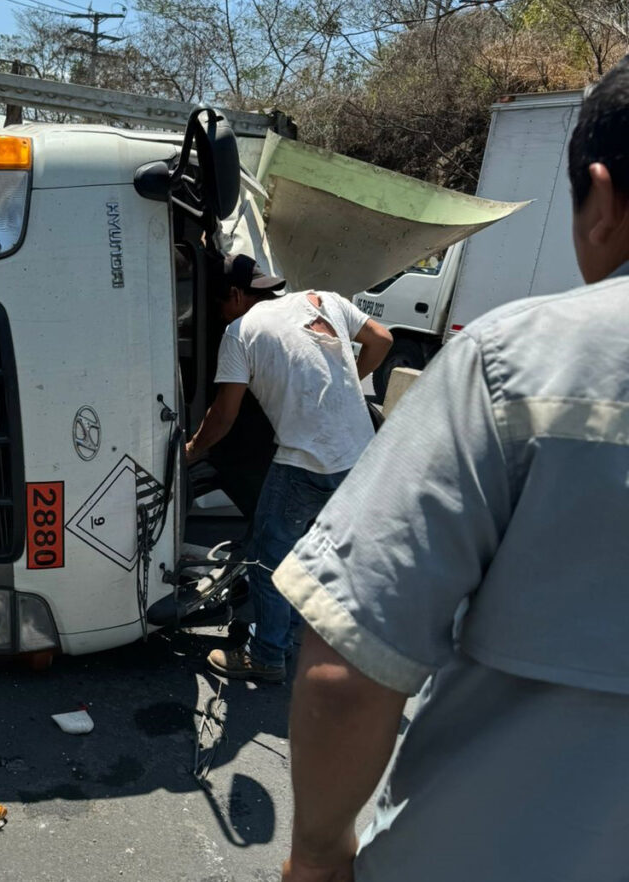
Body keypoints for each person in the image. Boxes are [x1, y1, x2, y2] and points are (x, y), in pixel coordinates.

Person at [276, 56, 629, 882]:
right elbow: (379, 347)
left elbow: (347, 670)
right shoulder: (337, 313)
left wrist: (318, 858)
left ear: (603, 199)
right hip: (339, 448)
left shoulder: (516, 364)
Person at [184, 253, 392, 682]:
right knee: (312, 555)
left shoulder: (239, 332)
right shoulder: (323, 300)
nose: (221, 312)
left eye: (222, 303)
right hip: (360, 457)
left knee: (267, 558)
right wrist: (346, 385)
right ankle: (290, 631)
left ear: (238, 295)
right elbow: (382, 340)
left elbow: (223, 416)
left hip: (306, 462)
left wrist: (188, 451)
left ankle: (266, 655)